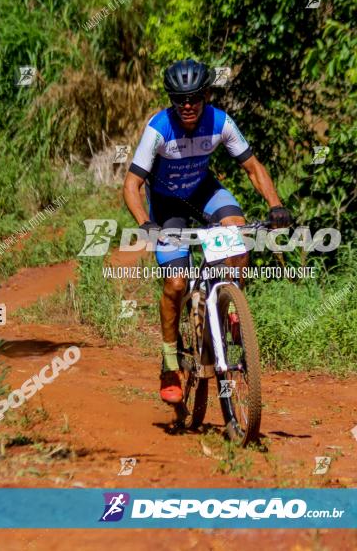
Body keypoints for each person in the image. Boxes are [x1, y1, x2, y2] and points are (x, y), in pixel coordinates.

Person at [122, 59, 292, 404]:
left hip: (203, 192)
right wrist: (147, 225)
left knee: (238, 232)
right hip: (168, 205)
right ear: (171, 99)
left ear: (207, 95)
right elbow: (131, 184)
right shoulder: (158, 128)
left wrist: (275, 204)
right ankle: (170, 363)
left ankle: (231, 309)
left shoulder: (220, 122)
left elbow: (252, 167)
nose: (187, 106)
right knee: (176, 283)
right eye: (180, 99)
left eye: (194, 98)